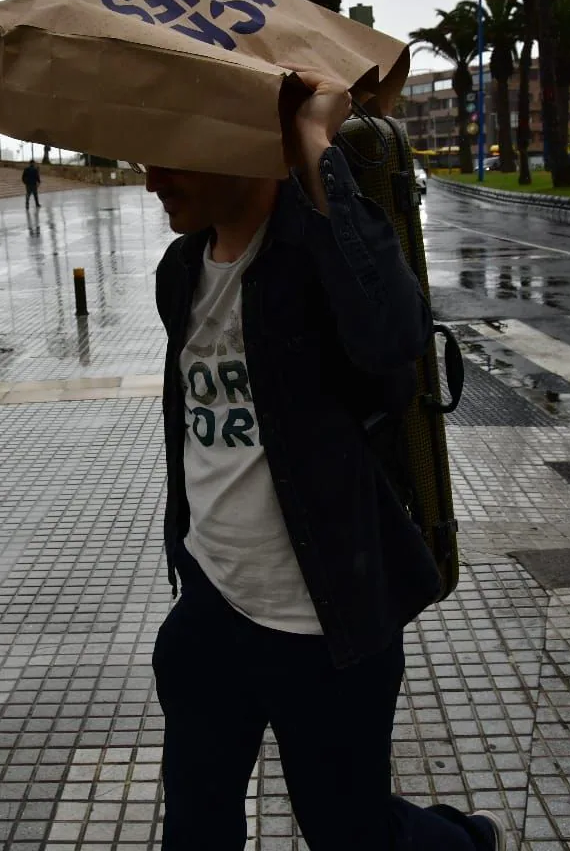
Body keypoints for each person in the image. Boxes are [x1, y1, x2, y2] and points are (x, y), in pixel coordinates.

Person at [147, 67, 506, 851]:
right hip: (212, 608)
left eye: (168, 158)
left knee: (354, 835)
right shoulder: (180, 272)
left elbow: (393, 338)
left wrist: (316, 152)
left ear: (235, 146)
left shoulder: (319, 250)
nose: (150, 182)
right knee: (195, 833)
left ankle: (461, 843)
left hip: (327, 619)